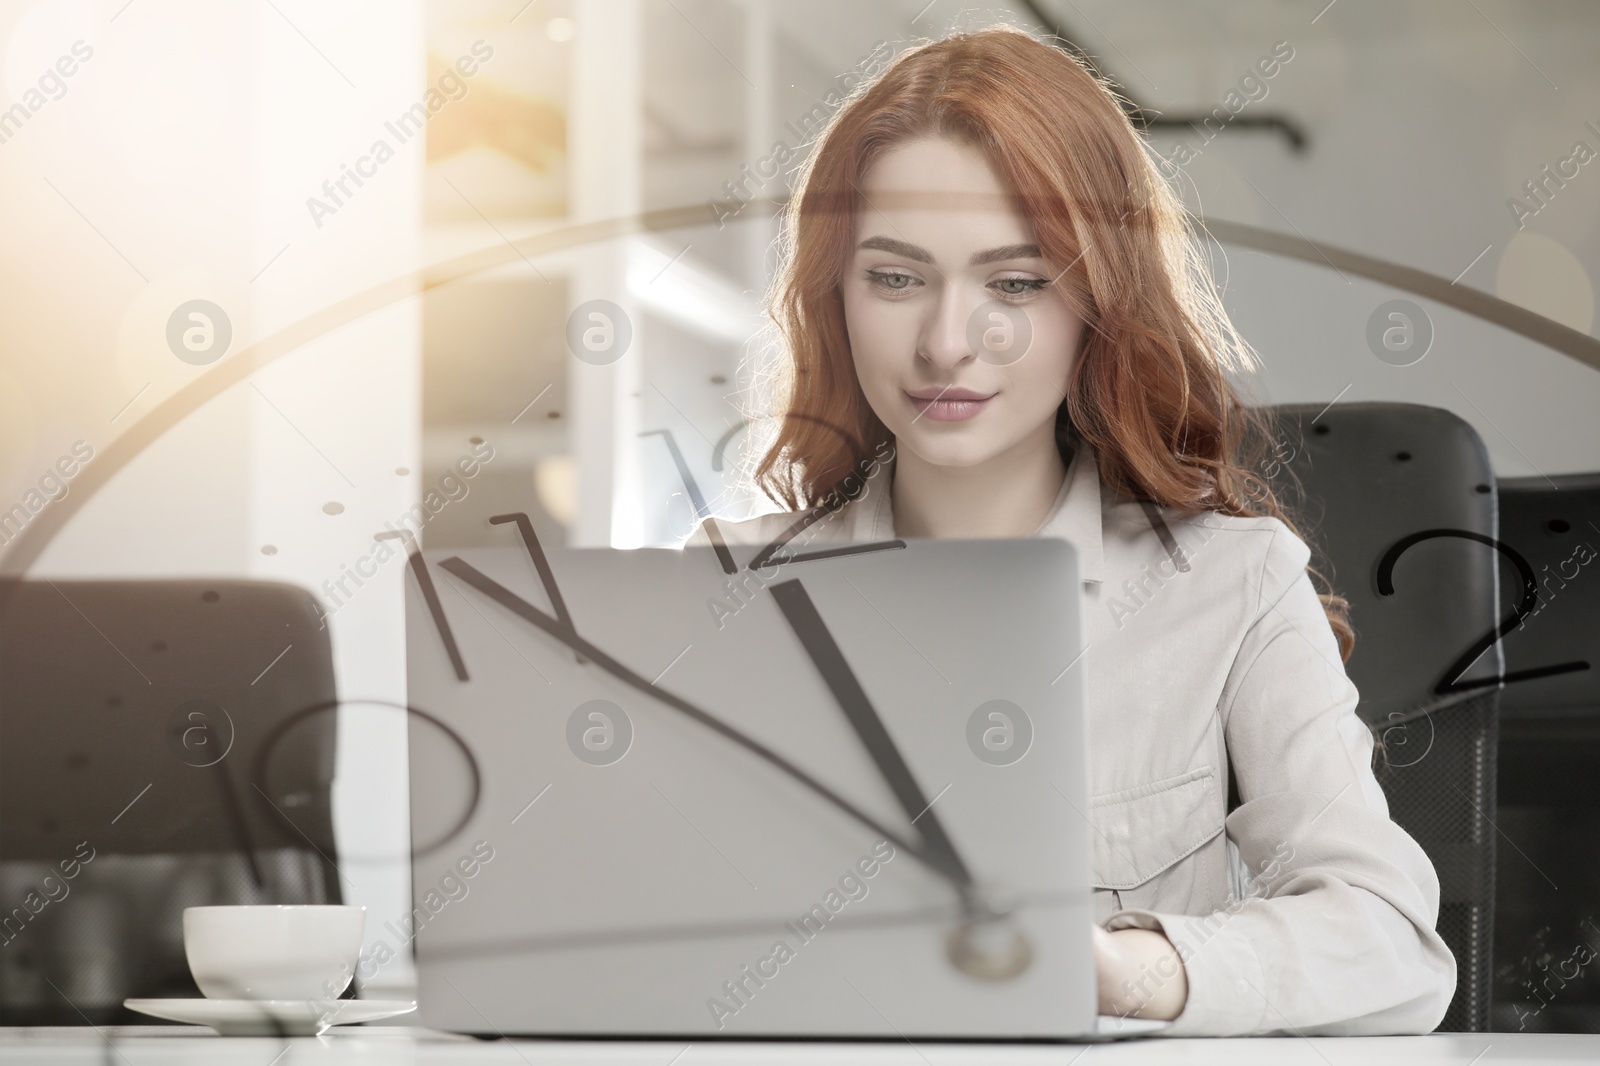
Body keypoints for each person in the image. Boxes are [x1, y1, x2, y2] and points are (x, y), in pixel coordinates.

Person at [682, 24, 1455, 1035]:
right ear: (835, 301)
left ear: (1099, 303)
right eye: (896, 277)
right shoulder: (719, 590)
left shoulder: (1231, 586)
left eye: (1015, 282)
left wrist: (1118, 971)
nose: (947, 341)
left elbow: (1390, 942)